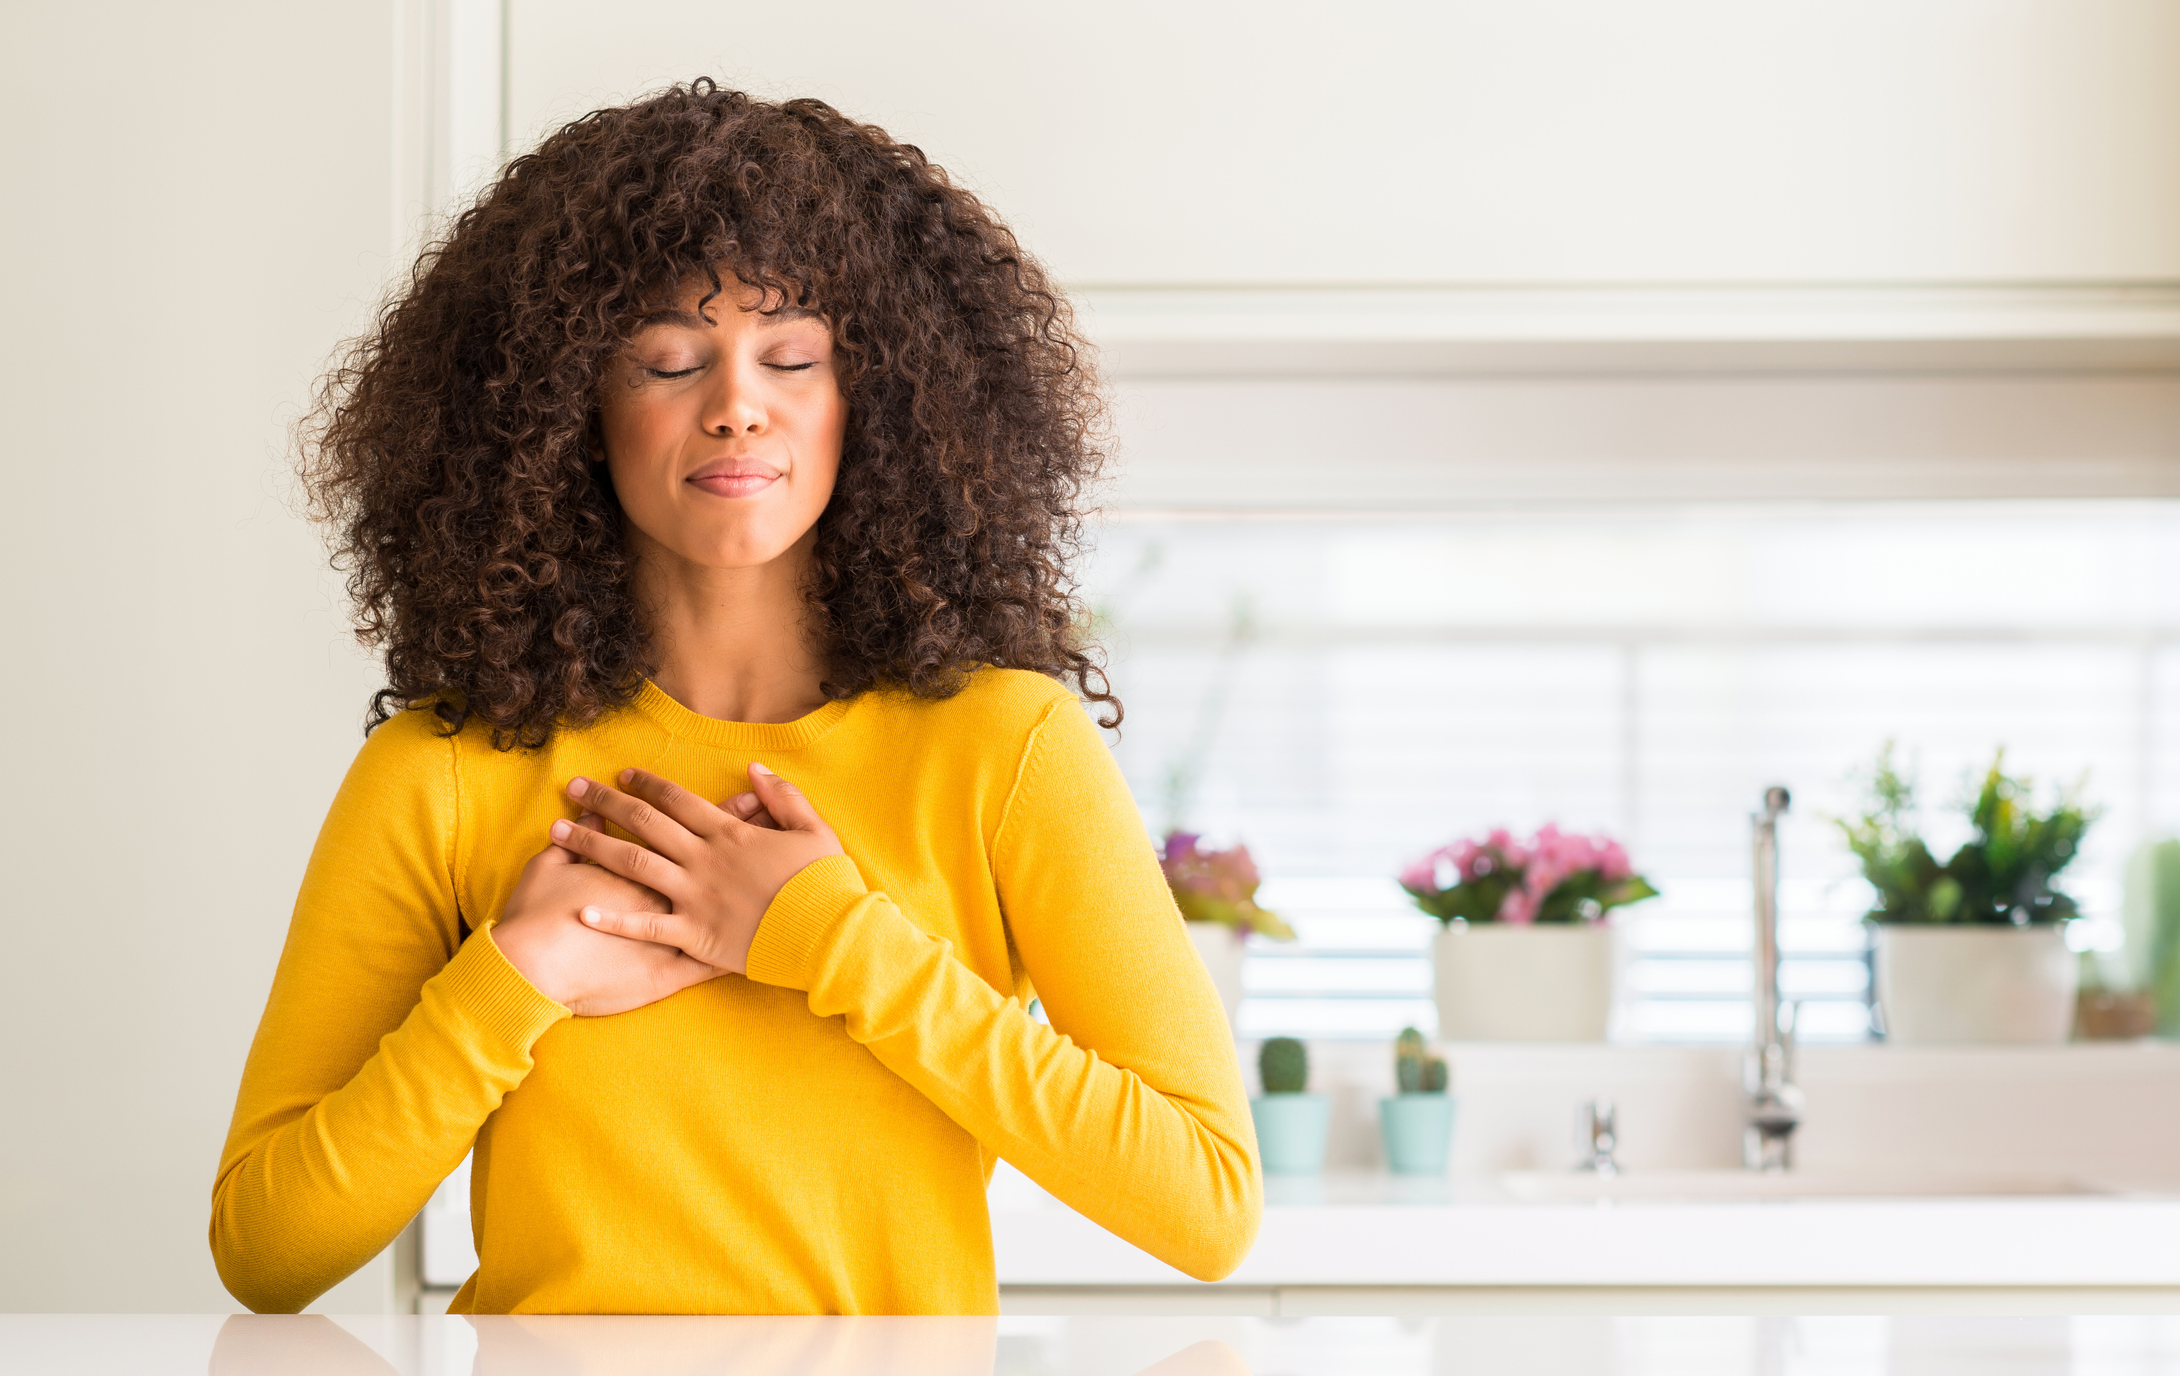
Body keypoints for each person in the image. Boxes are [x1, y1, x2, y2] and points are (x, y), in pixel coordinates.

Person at [210, 81, 1260, 1315]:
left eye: (792, 355)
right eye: (666, 358)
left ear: (875, 396)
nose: (734, 403)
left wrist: (829, 938)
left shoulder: (1006, 746)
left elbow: (1202, 1201)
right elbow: (267, 1248)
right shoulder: (447, 769)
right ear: (560, 407)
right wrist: (514, 973)